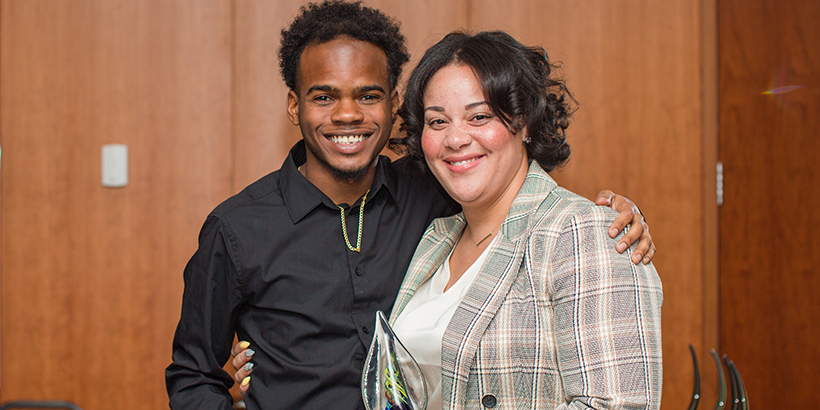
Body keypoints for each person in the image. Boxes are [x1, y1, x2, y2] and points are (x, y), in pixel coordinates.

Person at [167, 2, 655, 409]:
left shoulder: (434, 198)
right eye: (323, 97)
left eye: (368, 95)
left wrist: (615, 219)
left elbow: (519, 194)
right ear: (294, 106)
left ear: (394, 104)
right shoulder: (237, 228)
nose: (347, 114)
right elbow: (193, 376)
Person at [388, 31, 663, 409]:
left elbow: (619, 404)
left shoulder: (581, 233)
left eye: (479, 116)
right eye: (437, 122)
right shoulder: (437, 238)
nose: (455, 138)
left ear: (525, 122)